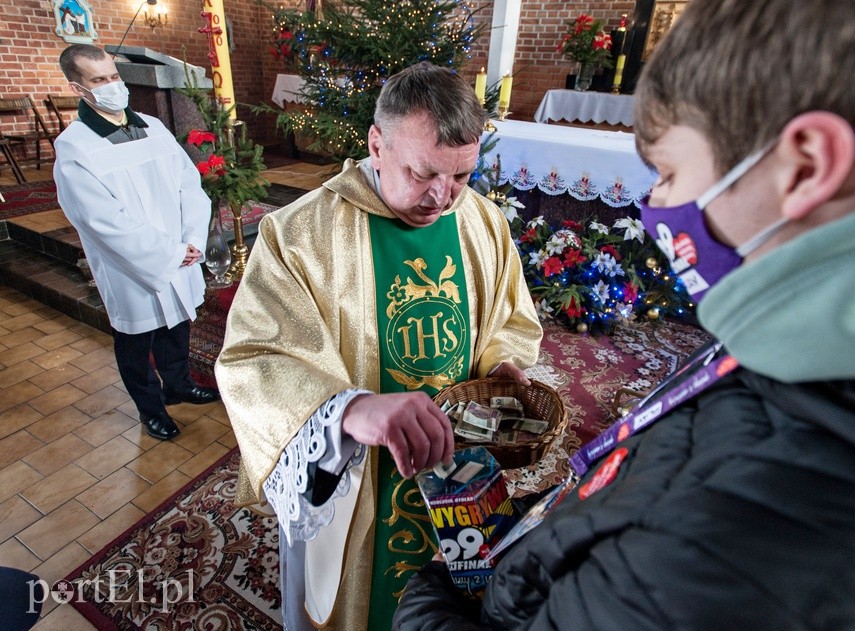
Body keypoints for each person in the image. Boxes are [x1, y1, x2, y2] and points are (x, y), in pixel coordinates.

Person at [394, 1, 855, 628]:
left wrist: (427, 595)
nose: (656, 204)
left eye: (666, 172)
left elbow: (509, 307)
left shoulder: (713, 523)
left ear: (806, 164)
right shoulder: (784, 352)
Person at [215, 62, 543, 630]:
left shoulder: (482, 221)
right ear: (376, 145)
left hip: (457, 466)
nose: (442, 197)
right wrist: (349, 409)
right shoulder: (299, 234)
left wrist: (502, 365)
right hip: (355, 477)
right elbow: (255, 360)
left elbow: (511, 316)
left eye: (462, 175)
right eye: (422, 173)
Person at [54, 44, 220, 442]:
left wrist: (193, 238)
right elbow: (101, 221)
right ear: (79, 89)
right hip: (129, 263)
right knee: (136, 339)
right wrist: (168, 253)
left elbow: (188, 183)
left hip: (181, 248)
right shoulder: (75, 146)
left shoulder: (152, 125)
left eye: (113, 75)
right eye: (99, 80)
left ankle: (178, 384)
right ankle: (151, 409)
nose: (113, 85)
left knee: (178, 323)